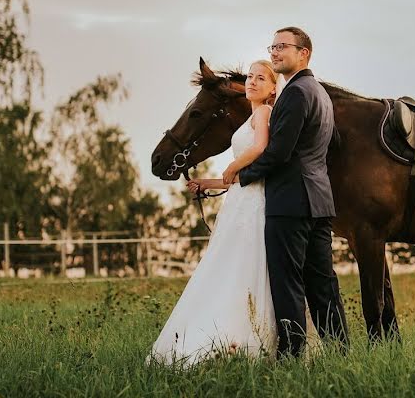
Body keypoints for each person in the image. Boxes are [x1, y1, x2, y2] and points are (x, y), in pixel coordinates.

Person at [148, 60, 279, 366]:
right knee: (228, 268)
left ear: (273, 89)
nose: (253, 82)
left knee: (247, 267)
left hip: (254, 203)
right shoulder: (248, 118)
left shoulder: (263, 113)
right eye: (250, 78)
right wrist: (206, 183)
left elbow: (259, 149)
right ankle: (223, 334)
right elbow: (244, 173)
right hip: (240, 199)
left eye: (261, 79)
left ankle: (249, 340)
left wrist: (232, 166)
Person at [237, 26, 349, 359]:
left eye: (282, 46)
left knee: (288, 284)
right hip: (319, 200)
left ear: (304, 53)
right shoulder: (320, 93)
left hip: (290, 202)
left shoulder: (297, 93)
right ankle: (340, 351)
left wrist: (241, 175)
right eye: (272, 46)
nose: (274, 51)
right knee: (323, 285)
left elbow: (279, 153)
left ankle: (290, 355)